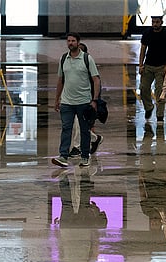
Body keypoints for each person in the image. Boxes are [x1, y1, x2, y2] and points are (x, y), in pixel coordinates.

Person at [53, 32, 101, 168]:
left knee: (84, 130)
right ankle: (63, 156)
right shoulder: (63, 59)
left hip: (84, 102)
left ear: (78, 42)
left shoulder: (87, 59)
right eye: (68, 41)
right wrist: (57, 99)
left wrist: (95, 100)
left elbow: (96, 79)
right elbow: (60, 81)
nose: (70, 43)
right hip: (67, 102)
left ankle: (85, 156)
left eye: (73, 41)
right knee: (66, 128)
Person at [69, 42, 104, 158]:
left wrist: (94, 101)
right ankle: (95, 138)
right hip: (73, 100)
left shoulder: (89, 67)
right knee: (77, 125)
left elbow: (97, 84)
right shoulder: (70, 65)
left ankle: (76, 147)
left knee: (79, 124)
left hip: (86, 101)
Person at [139, 16, 166, 122]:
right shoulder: (147, 33)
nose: (155, 24)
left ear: (161, 22)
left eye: (157, 22)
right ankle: (149, 107)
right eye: (153, 22)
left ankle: (160, 115)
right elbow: (143, 49)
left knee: (160, 91)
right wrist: (141, 65)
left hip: (161, 67)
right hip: (148, 65)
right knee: (143, 88)